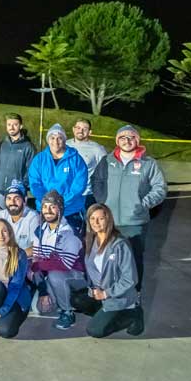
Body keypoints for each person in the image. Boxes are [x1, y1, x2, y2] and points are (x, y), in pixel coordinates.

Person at [91, 124, 166, 294]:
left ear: (137, 140)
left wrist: (143, 203)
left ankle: (135, 293)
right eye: (123, 138)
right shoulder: (107, 161)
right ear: (118, 141)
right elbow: (97, 181)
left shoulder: (148, 163)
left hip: (135, 222)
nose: (127, 141)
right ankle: (109, 292)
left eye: (131, 137)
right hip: (109, 221)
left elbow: (160, 188)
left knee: (133, 258)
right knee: (108, 258)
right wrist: (101, 201)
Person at [71, 203, 145, 337]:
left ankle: (133, 314)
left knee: (95, 330)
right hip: (100, 293)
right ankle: (105, 313)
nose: (96, 222)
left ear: (108, 219)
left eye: (100, 218)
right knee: (76, 300)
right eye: (92, 219)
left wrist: (106, 293)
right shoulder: (91, 240)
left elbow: (131, 279)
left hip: (118, 296)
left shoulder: (120, 245)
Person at [30, 190, 86, 330]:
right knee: (41, 308)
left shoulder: (69, 232)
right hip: (53, 275)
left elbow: (65, 264)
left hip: (77, 277)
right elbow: (37, 260)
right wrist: (43, 291)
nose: (47, 211)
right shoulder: (40, 231)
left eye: (52, 206)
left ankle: (67, 312)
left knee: (55, 274)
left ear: (60, 209)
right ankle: (60, 295)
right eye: (44, 207)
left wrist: (39, 265)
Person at [28, 123, 89, 235]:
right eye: (52, 138)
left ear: (64, 140)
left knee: (70, 247)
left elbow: (78, 187)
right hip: (46, 212)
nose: (56, 141)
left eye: (59, 138)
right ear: (48, 140)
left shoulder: (76, 159)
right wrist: (48, 204)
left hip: (70, 210)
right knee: (44, 247)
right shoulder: (39, 159)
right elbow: (35, 184)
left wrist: (60, 203)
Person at [0, 112, 36, 207]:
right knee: (2, 218)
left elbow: (31, 170)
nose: (11, 127)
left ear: (21, 126)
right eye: (9, 125)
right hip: (1, 190)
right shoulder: (2, 145)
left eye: (15, 124)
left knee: (18, 219)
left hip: (18, 192)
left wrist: (21, 184)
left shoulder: (28, 147)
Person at [67, 118, 107, 208]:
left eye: (84, 129)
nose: (80, 131)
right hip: (66, 195)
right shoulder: (64, 145)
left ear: (90, 132)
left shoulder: (98, 149)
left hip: (87, 196)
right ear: (73, 129)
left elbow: (104, 174)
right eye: (78, 128)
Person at [0, 180, 40, 254]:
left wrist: (15, 257)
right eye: (9, 198)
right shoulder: (0, 216)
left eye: (17, 198)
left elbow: (36, 247)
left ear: (24, 200)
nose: (12, 202)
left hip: (25, 260)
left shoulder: (33, 217)